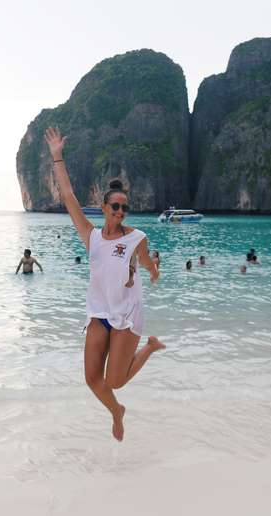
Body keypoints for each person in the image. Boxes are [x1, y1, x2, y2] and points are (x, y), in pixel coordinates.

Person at [45, 126, 164, 442]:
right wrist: (57, 156)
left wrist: (153, 271)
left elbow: (145, 259)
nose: (121, 211)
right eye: (116, 206)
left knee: (115, 381)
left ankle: (149, 347)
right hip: (99, 313)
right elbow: (69, 197)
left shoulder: (137, 236)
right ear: (104, 207)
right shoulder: (92, 237)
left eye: (125, 207)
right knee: (92, 379)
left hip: (127, 314)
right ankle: (117, 412)